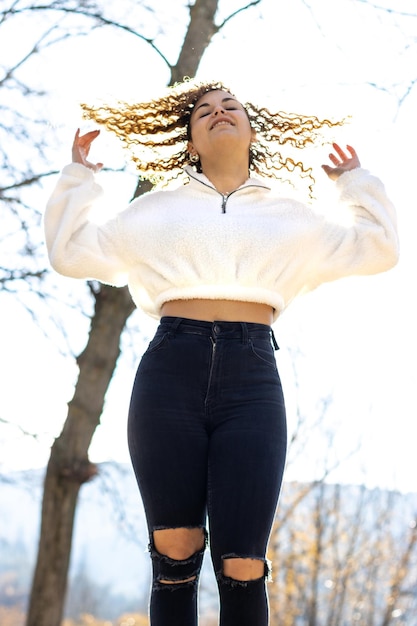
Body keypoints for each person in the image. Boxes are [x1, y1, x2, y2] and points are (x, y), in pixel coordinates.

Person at [44, 79, 399, 626]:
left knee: (242, 564)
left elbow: (378, 250)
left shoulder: (291, 215)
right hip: (169, 375)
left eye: (230, 106)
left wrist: (355, 185)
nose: (218, 113)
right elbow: (70, 252)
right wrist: (79, 180)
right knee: (176, 551)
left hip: (251, 378)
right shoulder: (154, 210)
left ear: (252, 130)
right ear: (189, 141)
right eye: (204, 110)